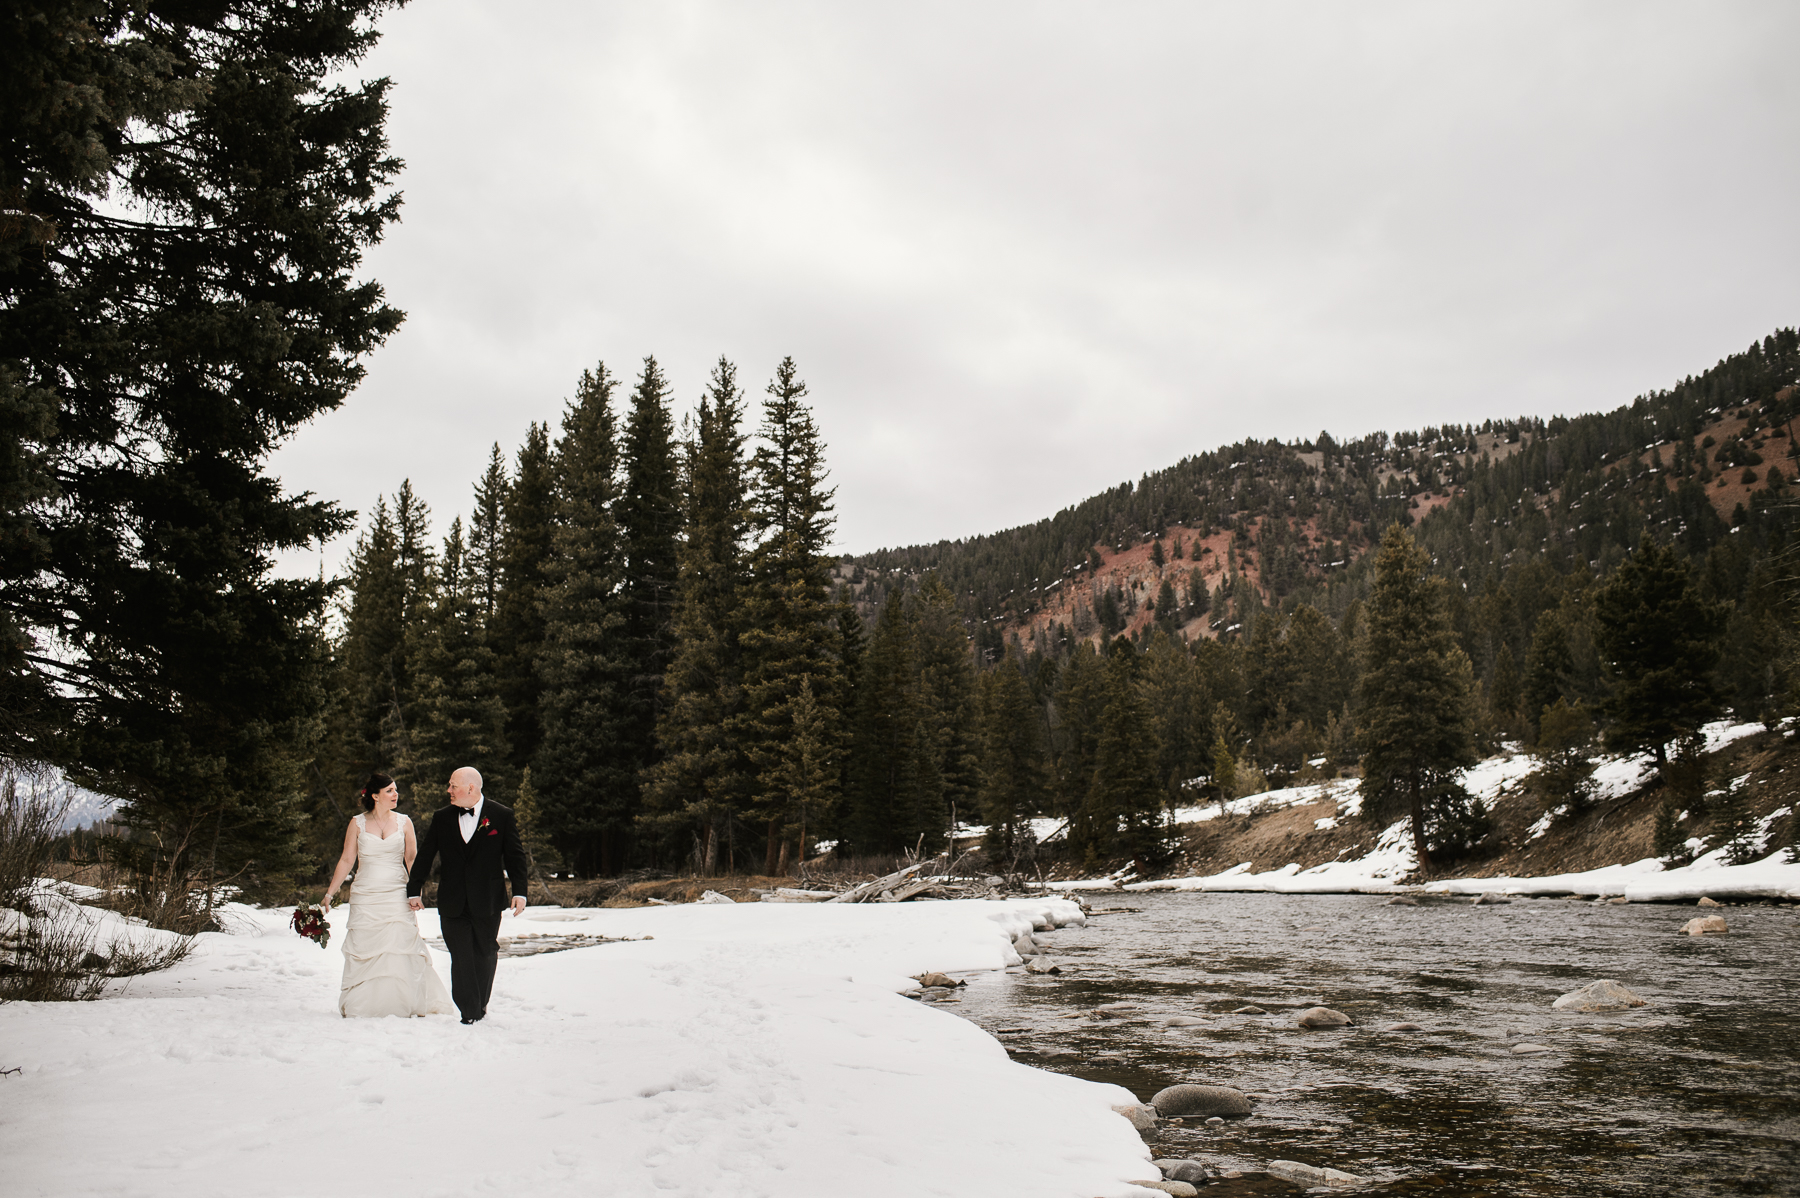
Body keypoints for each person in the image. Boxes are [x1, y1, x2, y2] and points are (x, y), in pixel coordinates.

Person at [321, 774, 454, 1018]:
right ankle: (365, 1004)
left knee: (399, 944)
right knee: (367, 945)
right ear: (375, 796)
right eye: (390, 791)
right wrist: (330, 892)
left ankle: (403, 1001)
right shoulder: (357, 823)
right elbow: (347, 859)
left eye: (396, 790)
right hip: (366, 892)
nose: (396, 795)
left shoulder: (404, 822)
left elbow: (412, 859)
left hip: (397, 891)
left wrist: (415, 892)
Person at [407, 766, 529, 1024]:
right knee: (460, 954)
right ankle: (469, 1011)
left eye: (453, 786)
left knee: (485, 952)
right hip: (452, 900)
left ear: (470, 788)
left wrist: (520, 892)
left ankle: (479, 1004)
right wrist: (414, 888)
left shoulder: (501, 815)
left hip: (488, 898)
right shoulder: (442, 817)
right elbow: (427, 854)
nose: (448, 790)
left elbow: (515, 856)